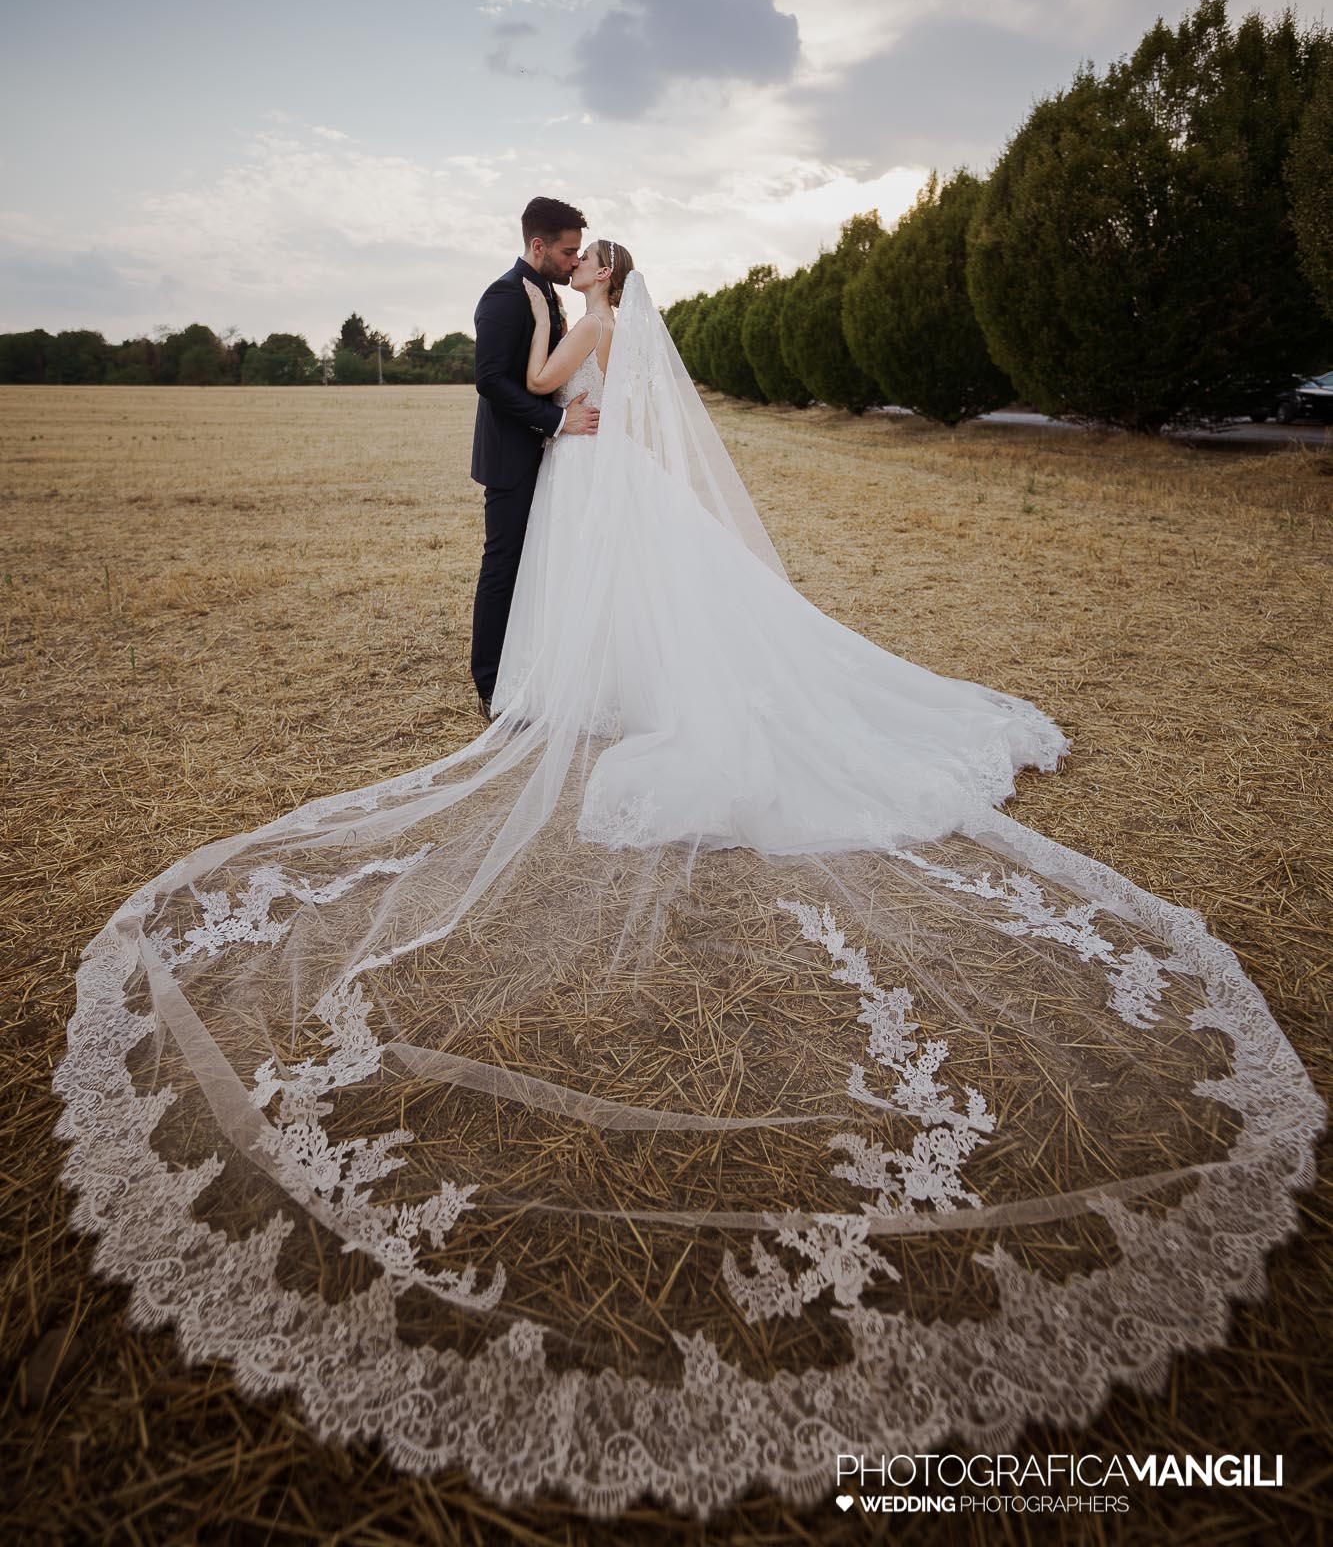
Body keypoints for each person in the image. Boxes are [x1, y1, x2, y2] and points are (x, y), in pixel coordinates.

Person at [53, 252, 1324, 1522]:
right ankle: (600, 690)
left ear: (595, 273)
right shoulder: (611, 314)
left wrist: (563, 339)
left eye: (584, 260)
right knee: (648, 614)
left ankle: (583, 694)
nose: (575, 265)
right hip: (607, 472)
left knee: (608, 609)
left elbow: (546, 382)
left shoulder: (584, 316)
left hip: (592, 473)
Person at [469, 197, 601, 722]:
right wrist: (556, 422)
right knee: (503, 566)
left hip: (552, 457)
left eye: (579, 254)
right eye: (568, 251)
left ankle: (533, 671)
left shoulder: (548, 291)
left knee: (538, 567)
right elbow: (491, 380)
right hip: (512, 455)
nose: (574, 261)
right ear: (537, 245)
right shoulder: (503, 296)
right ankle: (490, 685)